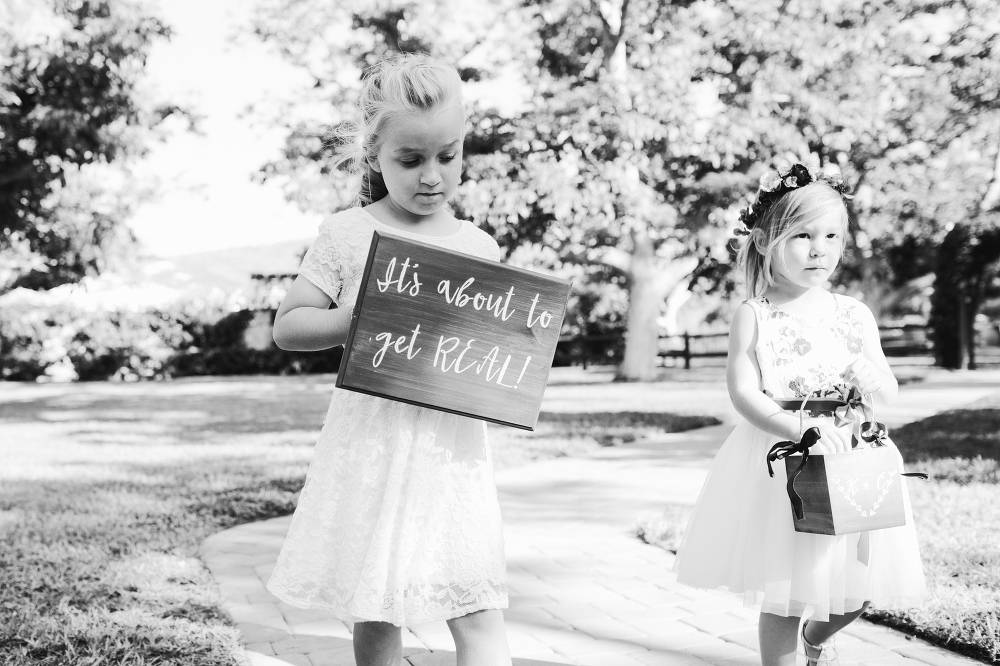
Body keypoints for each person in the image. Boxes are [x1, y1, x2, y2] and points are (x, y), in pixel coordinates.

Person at [266, 53, 512, 666]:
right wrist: (355, 318)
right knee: (376, 605)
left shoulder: (478, 246)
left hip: (451, 453)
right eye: (410, 159)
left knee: (477, 604)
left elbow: (491, 351)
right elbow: (288, 327)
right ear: (375, 154)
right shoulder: (349, 234)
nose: (433, 175)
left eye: (448, 156)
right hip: (371, 445)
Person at [673, 164, 926, 666]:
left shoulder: (854, 314)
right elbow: (744, 392)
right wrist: (796, 427)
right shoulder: (756, 314)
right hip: (792, 458)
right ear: (766, 241)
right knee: (787, 593)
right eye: (803, 235)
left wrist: (876, 382)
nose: (819, 248)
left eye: (832, 235)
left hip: (854, 459)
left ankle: (817, 640)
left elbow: (887, 385)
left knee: (856, 588)